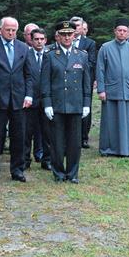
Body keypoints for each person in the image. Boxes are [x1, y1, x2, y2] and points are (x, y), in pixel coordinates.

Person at [0, 16, 33, 183]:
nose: (11, 33)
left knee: (19, 136)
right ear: (1, 30)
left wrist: (28, 94)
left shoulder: (24, 48)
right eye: (8, 30)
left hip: (19, 99)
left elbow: (29, 75)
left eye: (13, 30)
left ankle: (17, 169)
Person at [41, 20, 91, 183]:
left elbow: (86, 83)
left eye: (70, 34)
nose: (67, 37)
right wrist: (47, 103)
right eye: (63, 35)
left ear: (74, 35)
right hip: (57, 104)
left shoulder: (82, 55)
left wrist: (86, 103)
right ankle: (59, 173)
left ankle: (72, 173)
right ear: (58, 37)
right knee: (57, 142)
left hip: (76, 105)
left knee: (74, 142)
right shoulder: (49, 55)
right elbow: (45, 82)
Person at [96, 19, 129, 157]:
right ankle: (109, 149)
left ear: (128, 33)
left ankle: (128, 149)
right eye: (119, 30)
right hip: (111, 91)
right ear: (115, 31)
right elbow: (100, 70)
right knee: (110, 122)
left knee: (128, 122)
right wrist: (101, 89)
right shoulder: (105, 48)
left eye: (124, 31)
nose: (122, 33)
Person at [24, 28, 52, 171]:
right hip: (30, 99)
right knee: (27, 131)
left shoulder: (51, 55)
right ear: (31, 40)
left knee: (47, 132)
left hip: (47, 100)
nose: (39, 41)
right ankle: (25, 159)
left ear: (45, 40)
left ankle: (46, 159)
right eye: (36, 39)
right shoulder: (25, 55)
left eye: (42, 39)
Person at [70, 16, 97, 148]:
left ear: (82, 27)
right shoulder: (65, 41)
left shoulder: (90, 43)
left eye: (78, 26)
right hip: (68, 81)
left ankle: (83, 137)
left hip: (84, 80)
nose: (75, 29)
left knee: (86, 108)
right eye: (73, 26)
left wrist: (75, 65)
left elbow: (91, 63)